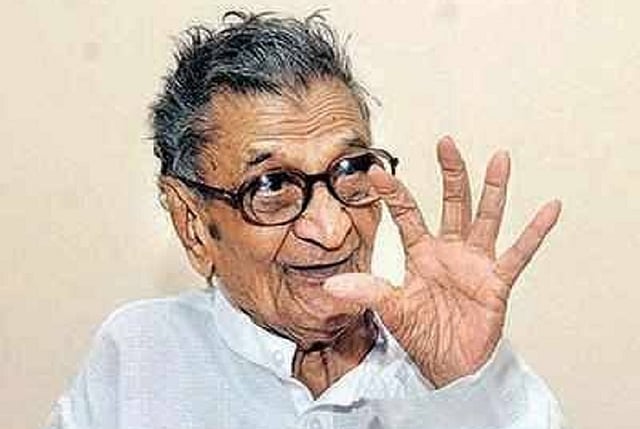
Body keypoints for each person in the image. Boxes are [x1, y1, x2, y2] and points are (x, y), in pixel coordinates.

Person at [46, 11, 566, 429]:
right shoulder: (140, 357)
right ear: (193, 224)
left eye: (350, 169)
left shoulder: (448, 360)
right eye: (272, 186)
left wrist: (466, 393)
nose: (332, 229)